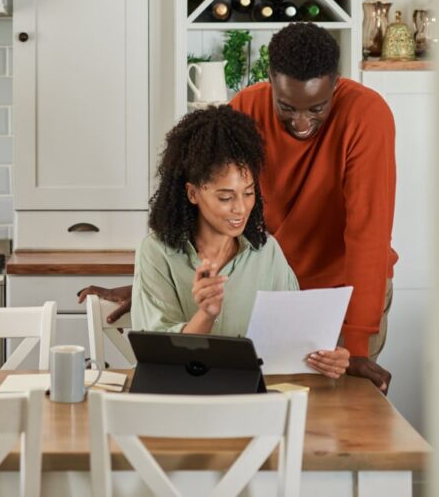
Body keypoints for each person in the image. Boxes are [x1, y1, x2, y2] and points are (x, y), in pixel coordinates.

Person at [81, 23, 397, 390]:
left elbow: (368, 233)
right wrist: (157, 282)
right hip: (267, 286)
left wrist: (356, 345)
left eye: (317, 108)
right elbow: (212, 204)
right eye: (287, 107)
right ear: (271, 81)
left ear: (336, 83)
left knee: (342, 415)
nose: (301, 122)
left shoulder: (367, 115)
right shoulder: (246, 109)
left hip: (345, 291)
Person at [130, 105, 350, 378]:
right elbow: (160, 359)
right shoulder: (156, 253)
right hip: (182, 403)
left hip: (254, 403)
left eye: (248, 193)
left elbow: (294, 341)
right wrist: (206, 315)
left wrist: (327, 357)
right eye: (225, 197)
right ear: (193, 193)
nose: (241, 208)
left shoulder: (267, 252)